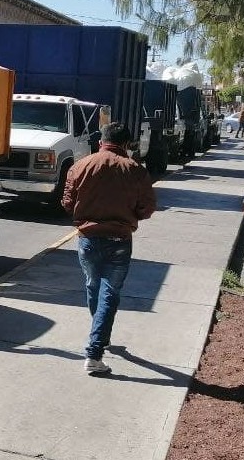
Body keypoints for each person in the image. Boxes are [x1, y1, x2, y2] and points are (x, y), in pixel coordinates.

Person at [61, 122, 157, 375]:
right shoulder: (135, 170)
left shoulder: (80, 165)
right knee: (109, 294)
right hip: (119, 239)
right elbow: (146, 208)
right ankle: (94, 352)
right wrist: (128, 213)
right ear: (127, 144)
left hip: (88, 238)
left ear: (101, 140)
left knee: (94, 287)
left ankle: (99, 334)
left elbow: (67, 202)